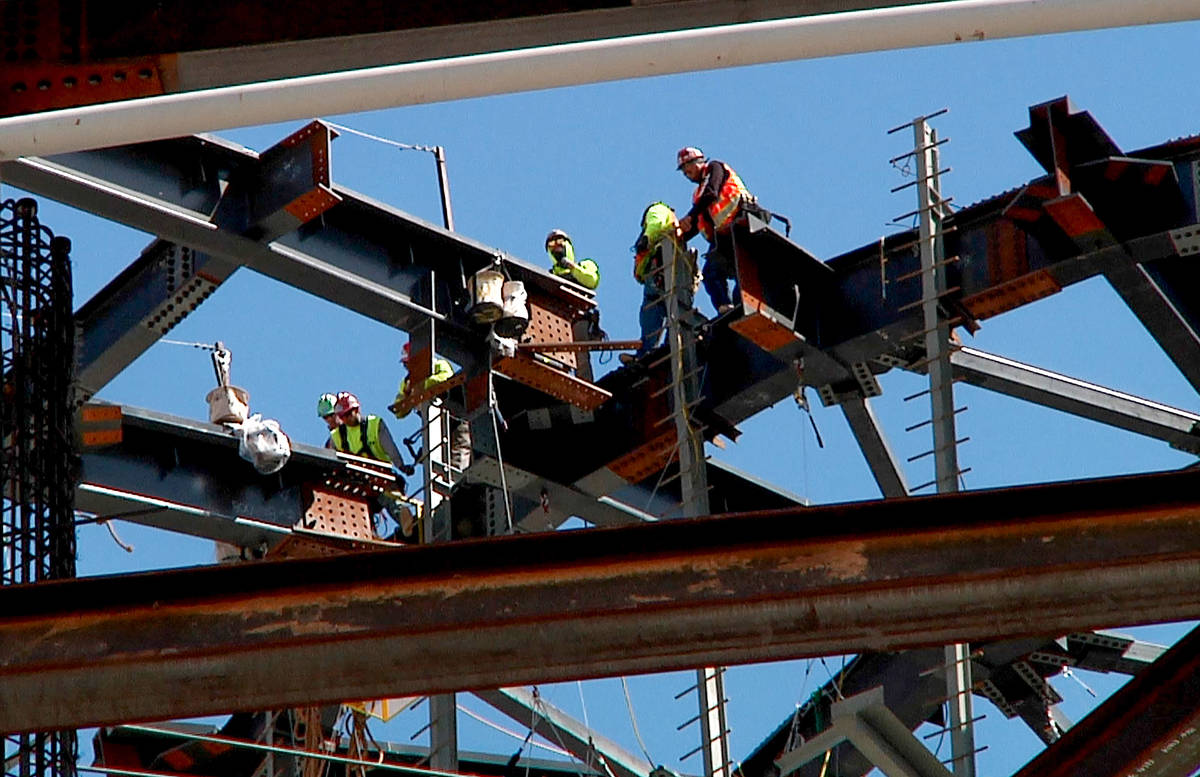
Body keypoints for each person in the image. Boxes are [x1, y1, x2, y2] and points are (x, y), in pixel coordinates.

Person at [675, 147, 753, 314]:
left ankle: (742, 305)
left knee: (743, 268)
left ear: (698, 162)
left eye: (687, 167)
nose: (686, 173)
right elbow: (697, 222)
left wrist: (690, 216)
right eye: (683, 170)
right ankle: (725, 308)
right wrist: (679, 238)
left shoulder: (714, 168)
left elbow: (712, 192)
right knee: (711, 274)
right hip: (724, 235)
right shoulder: (698, 195)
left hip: (741, 223)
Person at [620, 202, 696, 365]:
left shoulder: (656, 211)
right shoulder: (668, 223)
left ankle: (651, 351)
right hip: (662, 271)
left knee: (659, 311)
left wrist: (646, 238)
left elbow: (657, 223)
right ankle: (656, 349)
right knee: (663, 311)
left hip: (662, 268)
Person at [392, 342, 471, 475]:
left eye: (408, 362)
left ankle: (459, 481)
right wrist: (408, 392)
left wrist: (420, 387)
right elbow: (399, 411)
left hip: (455, 418)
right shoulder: (407, 382)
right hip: (435, 425)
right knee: (440, 459)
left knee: (460, 449)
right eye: (405, 363)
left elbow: (445, 377)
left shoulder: (438, 365)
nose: (406, 367)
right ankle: (448, 486)